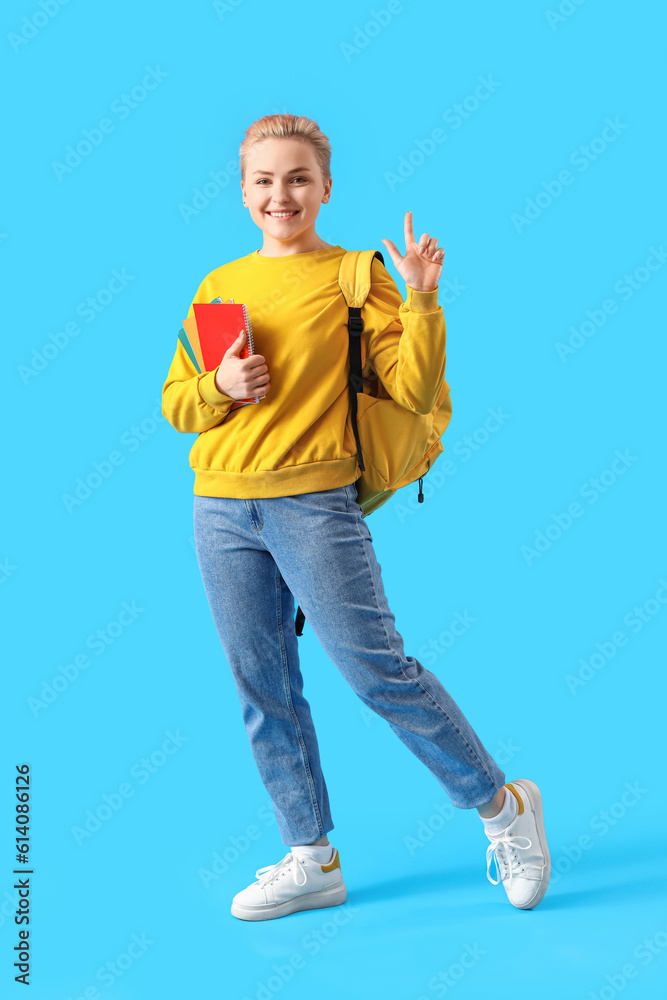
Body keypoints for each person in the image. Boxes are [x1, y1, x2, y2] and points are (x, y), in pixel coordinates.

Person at [161, 113, 551, 922]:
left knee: (376, 670)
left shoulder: (352, 276)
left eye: (298, 178)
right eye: (264, 181)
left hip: (312, 501)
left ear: (325, 188)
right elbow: (177, 404)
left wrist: (421, 299)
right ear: (242, 193)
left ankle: (502, 807)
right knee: (260, 684)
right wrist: (218, 391)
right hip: (219, 507)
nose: (281, 194)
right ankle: (311, 857)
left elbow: (409, 390)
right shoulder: (218, 284)